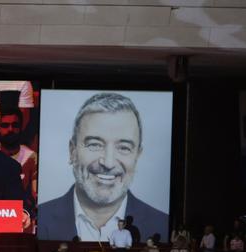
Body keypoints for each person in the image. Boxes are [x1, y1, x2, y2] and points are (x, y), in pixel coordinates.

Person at [38, 91, 169, 241]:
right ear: (72, 151)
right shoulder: (40, 218)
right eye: (95, 144)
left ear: (137, 155)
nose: (108, 163)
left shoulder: (161, 224)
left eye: (124, 148)